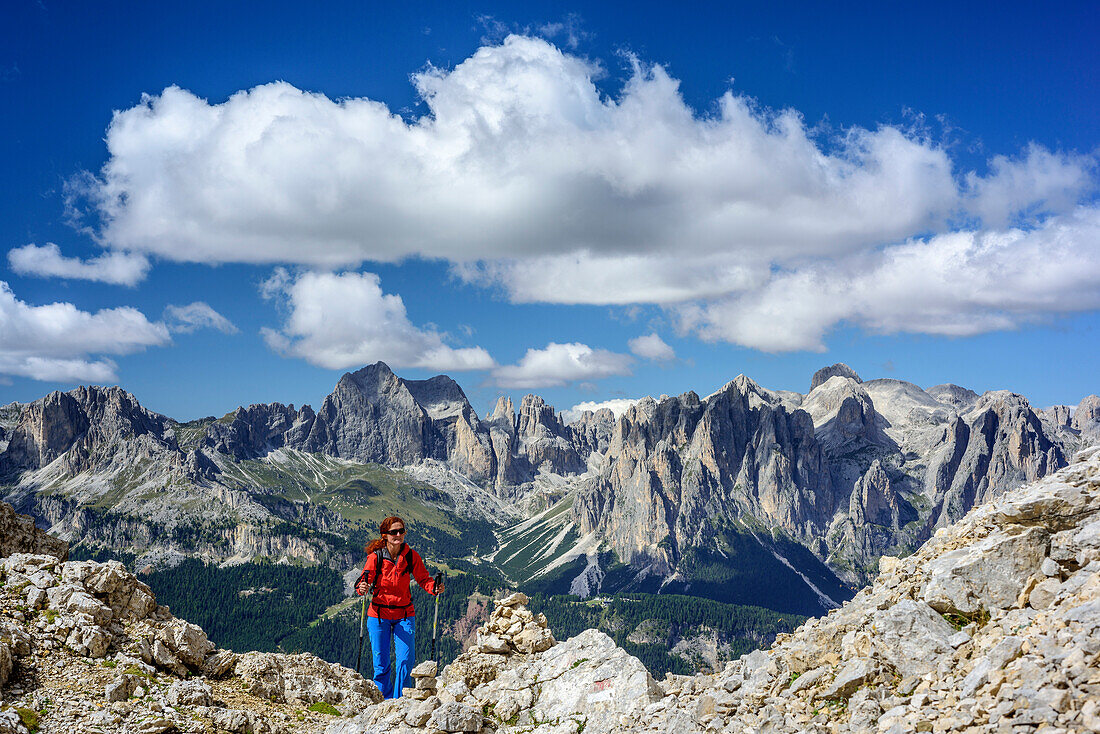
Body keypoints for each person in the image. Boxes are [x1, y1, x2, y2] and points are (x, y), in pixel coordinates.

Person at [356, 516, 443, 699]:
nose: (398, 535)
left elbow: (423, 578)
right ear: (384, 535)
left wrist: (433, 588)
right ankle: (383, 700)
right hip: (378, 615)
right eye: (393, 532)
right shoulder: (375, 557)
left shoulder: (411, 556)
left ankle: (401, 700)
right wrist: (361, 588)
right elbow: (364, 580)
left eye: (401, 531)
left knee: (405, 660)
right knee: (381, 663)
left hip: (404, 614)